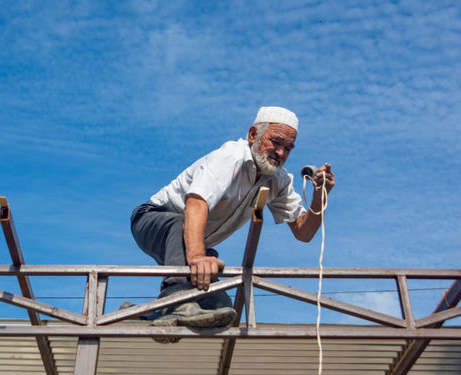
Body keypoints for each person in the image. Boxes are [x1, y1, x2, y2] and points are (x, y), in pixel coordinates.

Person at [130, 106, 335, 336]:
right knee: (182, 234)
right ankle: (176, 297)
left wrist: (319, 197)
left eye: (288, 148)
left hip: (189, 242)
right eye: (275, 142)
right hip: (151, 219)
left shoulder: (279, 180)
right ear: (252, 135)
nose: (280, 152)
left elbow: (303, 232)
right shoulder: (230, 157)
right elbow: (196, 203)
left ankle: (142, 314)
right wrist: (197, 257)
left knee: (223, 310)